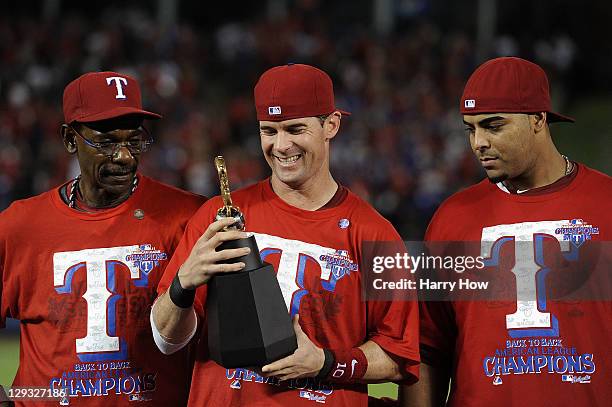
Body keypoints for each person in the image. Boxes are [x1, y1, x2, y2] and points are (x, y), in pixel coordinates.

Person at [150, 63, 420, 406]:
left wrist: (326, 363)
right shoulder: (216, 217)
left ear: (331, 125)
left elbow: (399, 356)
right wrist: (183, 285)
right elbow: (166, 341)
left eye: (295, 129)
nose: (280, 145)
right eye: (269, 130)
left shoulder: (376, 234)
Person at [400, 57, 612, 406]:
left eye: (493, 126)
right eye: (471, 129)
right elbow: (426, 349)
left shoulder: (605, 204)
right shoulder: (451, 219)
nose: (478, 143)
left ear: (538, 119)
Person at [0, 71, 206, 406]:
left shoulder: (187, 217)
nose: (125, 156)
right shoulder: (20, 225)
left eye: (134, 140)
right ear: (69, 139)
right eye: (107, 142)